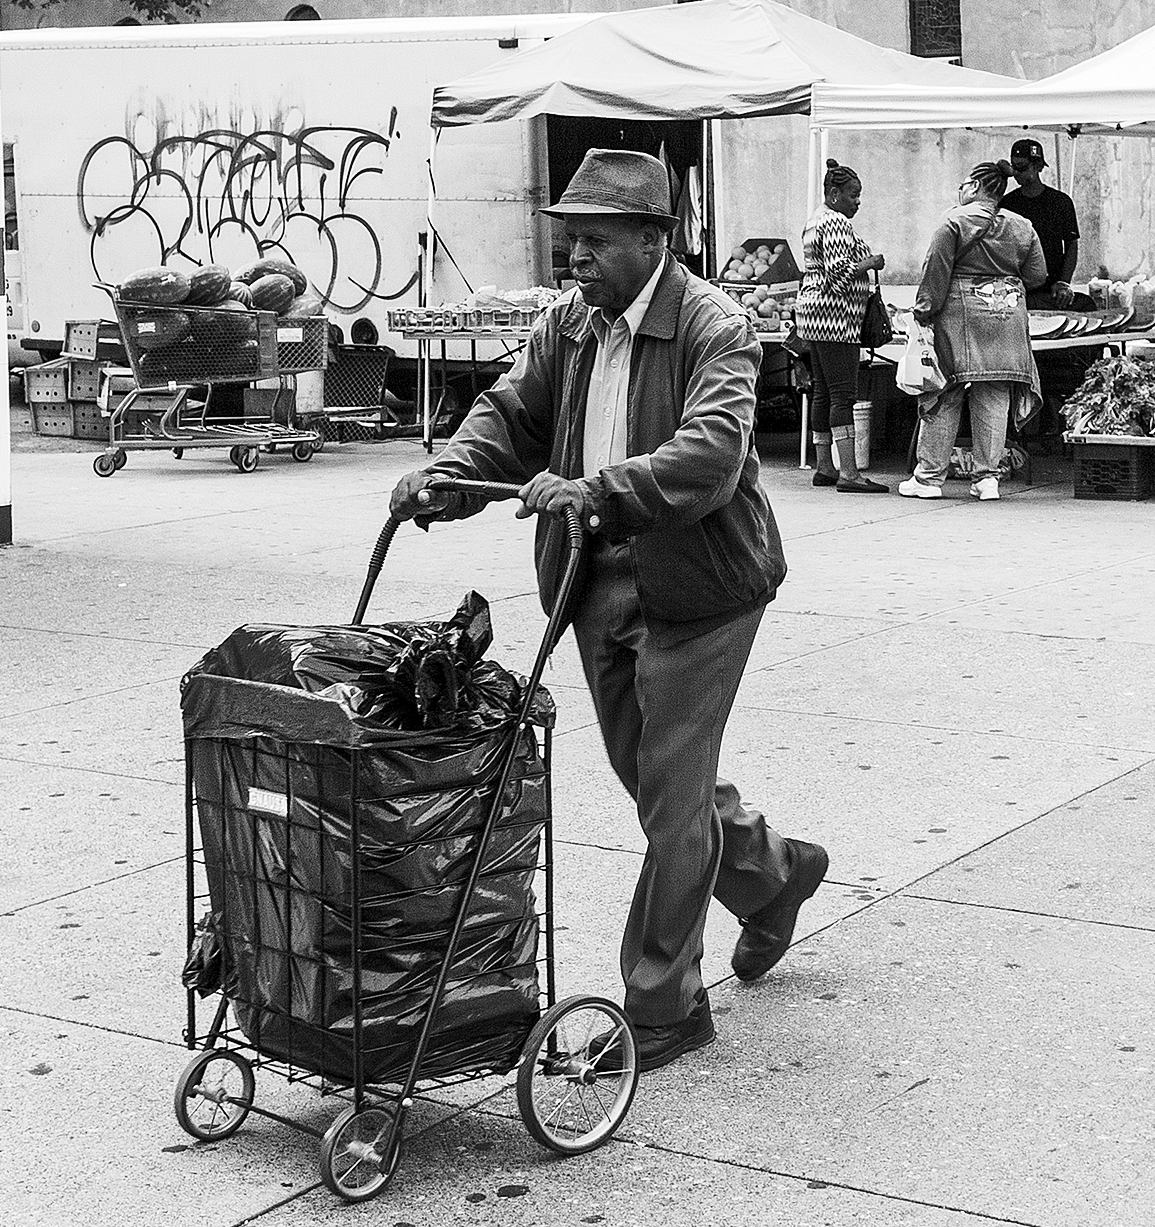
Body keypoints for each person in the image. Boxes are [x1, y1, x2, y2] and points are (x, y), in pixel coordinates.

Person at [389, 149, 829, 1072]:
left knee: (670, 793)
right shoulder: (569, 324)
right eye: (569, 240)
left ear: (651, 239)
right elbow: (509, 409)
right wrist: (449, 477)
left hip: (702, 587)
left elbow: (709, 455)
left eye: (593, 241)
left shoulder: (717, 325)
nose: (574, 258)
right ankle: (775, 875)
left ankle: (663, 1001)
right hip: (595, 578)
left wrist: (596, 490)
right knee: (653, 778)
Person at [898, 159, 1048, 503]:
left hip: (960, 316)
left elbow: (935, 271)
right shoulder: (1022, 226)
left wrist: (922, 313)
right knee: (995, 393)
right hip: (1007, 316)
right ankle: (988, 480)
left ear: (977, 185)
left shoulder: (953, 221)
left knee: (944, 391)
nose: (960, 190)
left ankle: (929, 477)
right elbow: (1038, 275)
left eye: (964, 184)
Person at [794, 158, 889, 492]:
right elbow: (838, 275)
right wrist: (871, 262)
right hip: (835, 318)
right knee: (842, 394)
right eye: (853, 195)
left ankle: (825, 467)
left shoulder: (815, 220)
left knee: (823, 390)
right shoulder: (835, 222)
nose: (858, 202)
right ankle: (849, 472)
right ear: (833, 194)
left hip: (813, 317)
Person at [1000, 137, 1079, 309]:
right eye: (1014, 167)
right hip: (1018, 289)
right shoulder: (1007, 204)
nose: (1016, 174)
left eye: (1022, 167)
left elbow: (1072, 244)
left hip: (1053, 290)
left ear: (1038, 166)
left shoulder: (1061, 202)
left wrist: (1064, 283)